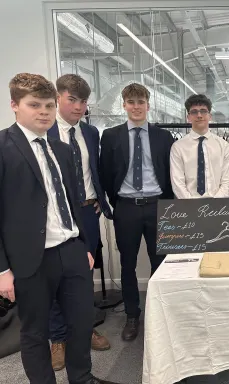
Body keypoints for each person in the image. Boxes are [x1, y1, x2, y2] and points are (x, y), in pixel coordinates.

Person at [0, 73, 113, 384]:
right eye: (34, 105)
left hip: (72, 249)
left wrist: (85, 246)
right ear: (15, 105)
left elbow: (73, 201)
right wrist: (2, 271)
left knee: (81, 321)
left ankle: (82, 377)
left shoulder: (61, 149)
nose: (44, 112)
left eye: (49, 105)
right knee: (35, 331)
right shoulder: (3, 147)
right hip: (30, 259)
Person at [47, 74, 112, 370]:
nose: (77, 106)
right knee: (55, 278)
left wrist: (98, 198)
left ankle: (85, 330)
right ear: (58, 97)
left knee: (84, 276)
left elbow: (93, 170)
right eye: (71, 99)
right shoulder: (45, 131)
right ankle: (58, 338)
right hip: (56, 215)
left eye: (83, 101)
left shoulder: (91, 133)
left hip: (87, 212)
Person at [99, 83, 173, 341]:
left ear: (148, 105)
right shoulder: (110, 136)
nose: (136, 107)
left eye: (141, 102)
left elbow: (169, 173)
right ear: (124, 105)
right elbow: (105, 173)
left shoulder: (163, 137)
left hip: (157, 206)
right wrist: (116, 203)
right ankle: (133, 315)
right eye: (131, 102)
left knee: (161, 262)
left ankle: (160, 312)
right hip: (127, 208)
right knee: (127, 264)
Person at [170, 94, 229, 199]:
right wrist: (193, 206)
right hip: (188, 208)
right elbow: (177, 183)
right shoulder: (178, 147)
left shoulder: (224, 146)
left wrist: (214, 204)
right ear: (188, 117)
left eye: (203, 111)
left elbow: (228, 181)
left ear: (210, 116)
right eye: (194, 112)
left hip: (218, 208)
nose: (199, 115)